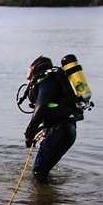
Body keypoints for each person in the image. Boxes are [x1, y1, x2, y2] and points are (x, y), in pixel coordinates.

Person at [23, 56, 79, 184]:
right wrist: (39, 130)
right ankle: (50, 195)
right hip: (65, 130)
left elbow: (40, 108)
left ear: (35, 68)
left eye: (29, 68)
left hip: (60, 132)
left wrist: (29, 133)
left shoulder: (47, 82)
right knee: (42, 173)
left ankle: (42, 196)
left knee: (39, 173)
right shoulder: (53, 81)